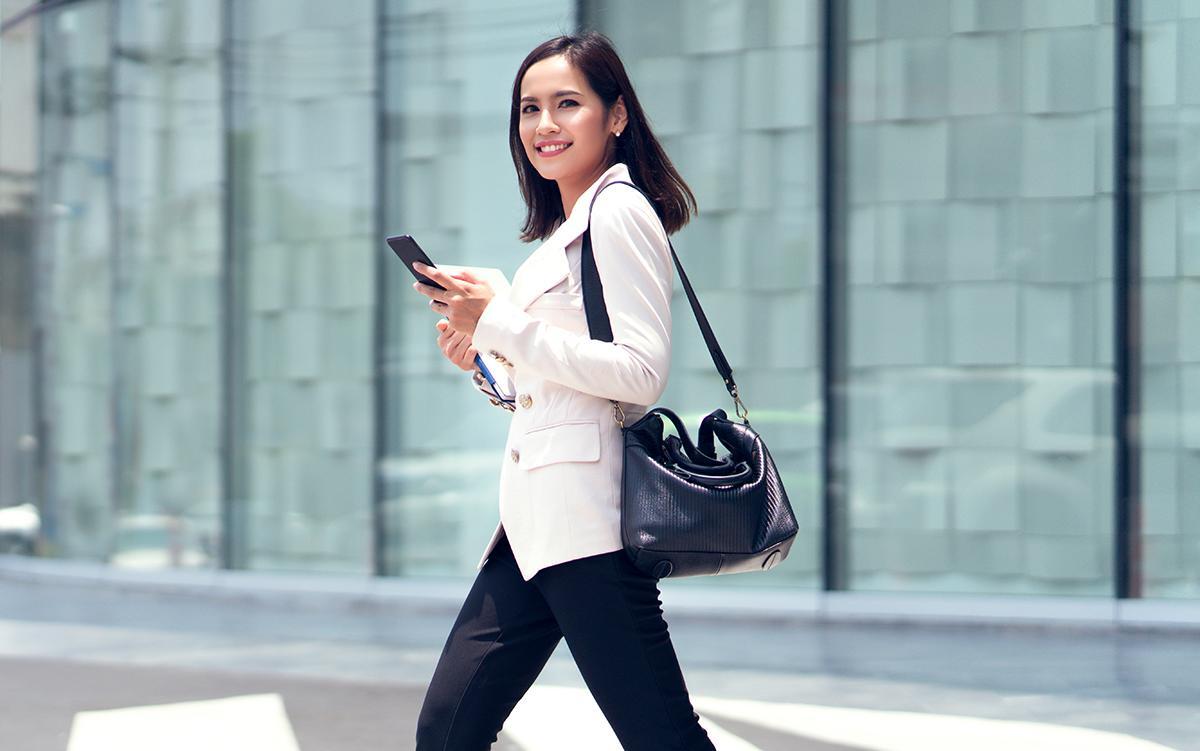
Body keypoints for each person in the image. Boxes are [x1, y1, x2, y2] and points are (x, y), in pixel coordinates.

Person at [410, 30, 715, 751]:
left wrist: (502, 323)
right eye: (528, 109)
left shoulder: (619, 211)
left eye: (567, 104)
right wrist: (483, 355)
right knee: (447, 730)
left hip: (591, 529)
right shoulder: (565, 232)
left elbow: (640, 372)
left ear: (615, 116)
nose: (543, 126)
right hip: (532, 529)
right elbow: (555, 386)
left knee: (663, 737)